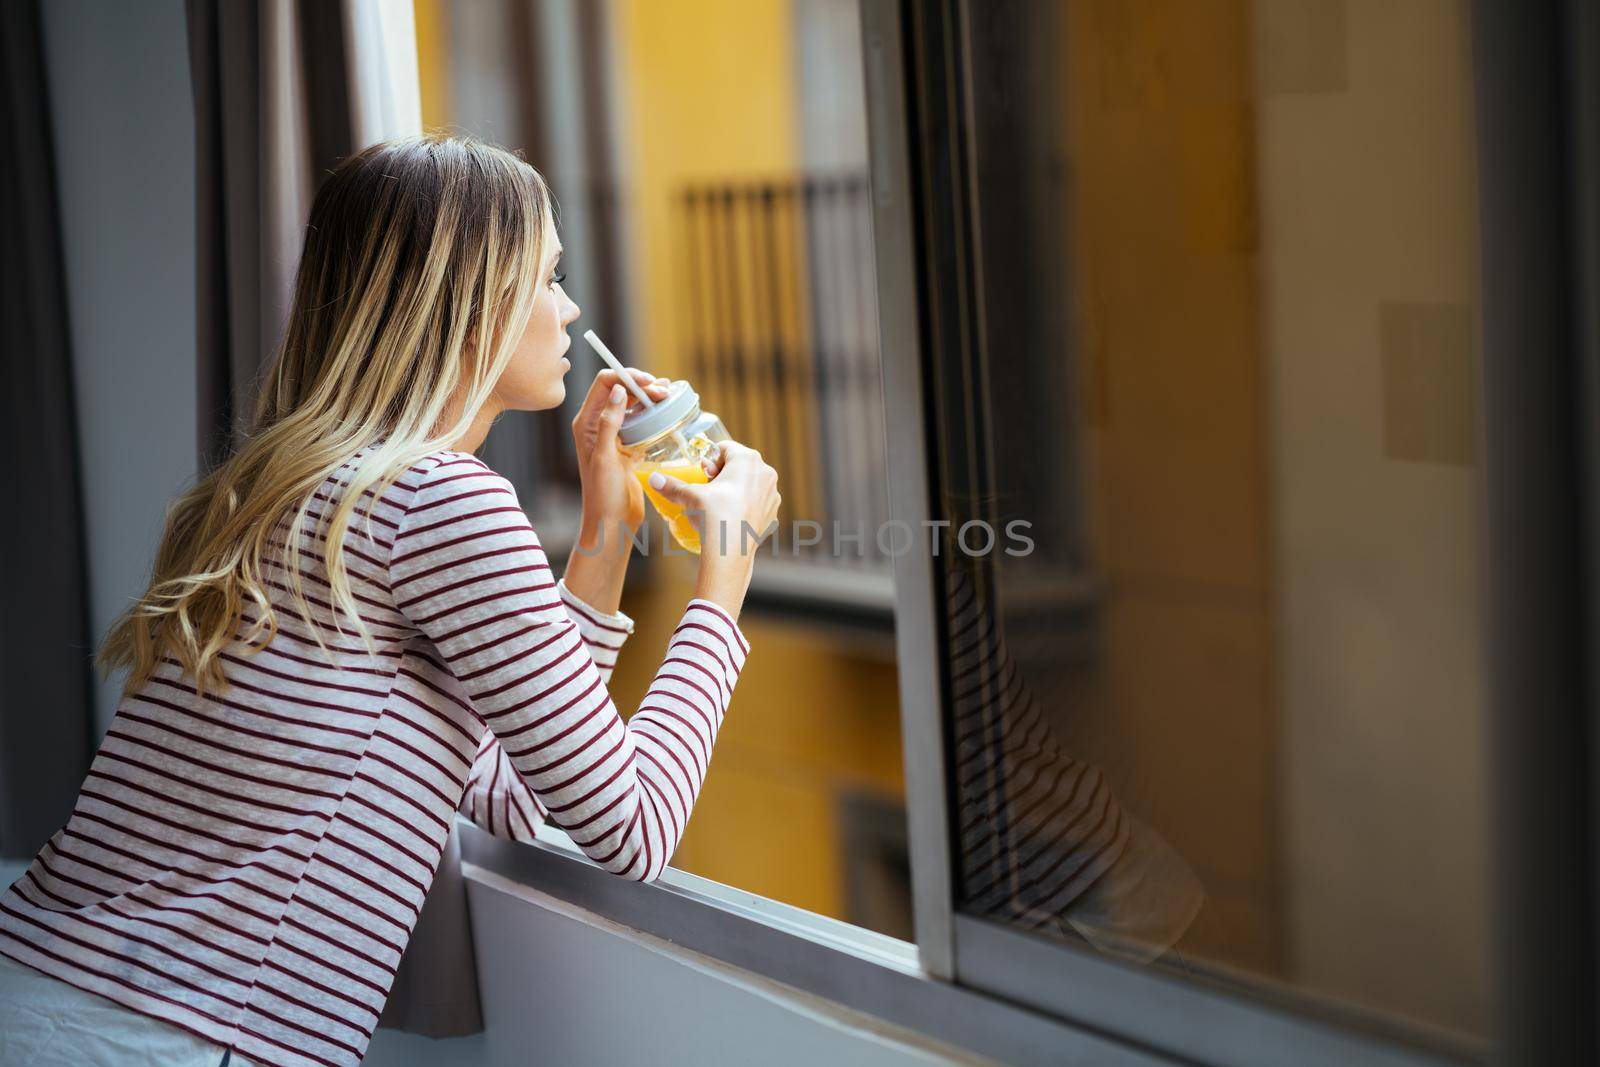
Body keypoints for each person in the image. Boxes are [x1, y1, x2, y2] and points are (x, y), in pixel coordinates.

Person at [0, 134, 779, 1067]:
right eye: (547, 279)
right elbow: (634, 824)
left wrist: (607, 528)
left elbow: (507, 785)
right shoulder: (445, 500)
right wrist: (725, 570)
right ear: (470, 304)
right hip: (170, 1034)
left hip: (52, 993)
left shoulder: (293, 481)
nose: (569, 311)